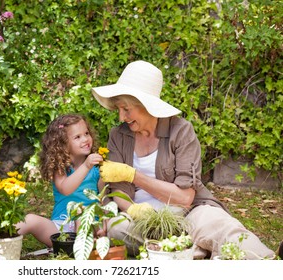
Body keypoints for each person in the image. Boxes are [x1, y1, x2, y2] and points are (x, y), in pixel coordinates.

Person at [91, 60, 275, 259]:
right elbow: (118, 191)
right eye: (118, 109)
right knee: (117, 229)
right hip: (140, 220)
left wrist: (134, 176)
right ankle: (191, 247)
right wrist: (135, 210)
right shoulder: (118, 136)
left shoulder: (181, 131)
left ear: (146, 105)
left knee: (223, 227)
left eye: (126, 109)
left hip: (187, 212)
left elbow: (185, 197)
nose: (121, 117)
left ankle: (267, 262)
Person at [15, 113, 105, 247]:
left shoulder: (97, 168)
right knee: (29, 220)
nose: (85, 139)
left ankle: (79, 250)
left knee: (81, 214)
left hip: (88, 225)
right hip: (59, 229)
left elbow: (104, 198)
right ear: (63, 144)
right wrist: (86, 166)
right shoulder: (61, 167)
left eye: (86, 133)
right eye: (77, 137)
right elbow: (65, 188)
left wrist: (104, 224)